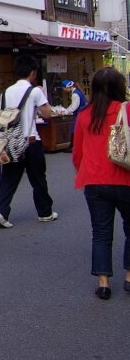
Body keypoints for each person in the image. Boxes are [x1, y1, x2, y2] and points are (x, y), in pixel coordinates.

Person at [71, 67, 130, 300]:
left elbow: (77, 153)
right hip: (125, 179)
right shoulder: (126, 109)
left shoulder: (85, 115)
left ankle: (104, 283)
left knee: (101, 233)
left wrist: (84, 172)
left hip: (94, 180)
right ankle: (129, 277)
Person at [0, 54, 58, 228]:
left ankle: (0, 211)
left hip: (11, 143)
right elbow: (47, 114)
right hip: (31, 141)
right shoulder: (35, 91)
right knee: (38, 179)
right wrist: (43, 96)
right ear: (32, 72)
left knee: (8, 178)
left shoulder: (5, 93)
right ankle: (45, 212)